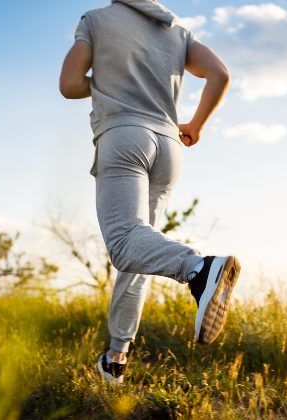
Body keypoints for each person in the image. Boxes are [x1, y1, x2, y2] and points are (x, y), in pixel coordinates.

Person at [59, 0, 239, 385]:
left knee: (124, 243)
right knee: (141, 252)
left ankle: (199, 269)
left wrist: (105, 78)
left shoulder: (96, 20)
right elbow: (219, 74)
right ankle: (115, 359)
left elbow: (69, 84)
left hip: (125, 137)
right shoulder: (176, 29)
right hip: (169, 144)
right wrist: (197, 124)